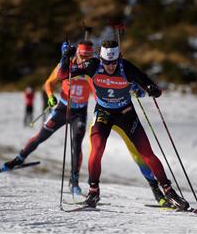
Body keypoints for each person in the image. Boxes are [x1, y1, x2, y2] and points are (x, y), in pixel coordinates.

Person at [57, 40, 190, 210]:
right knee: (96, 151)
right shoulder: (92, 65)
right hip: (104, 113)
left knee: (147, 153)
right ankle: (93, 192)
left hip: (126, 114)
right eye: (106, 62)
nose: (110, 67)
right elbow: (62, 75)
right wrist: (64, 58)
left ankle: (169, 192)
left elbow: (149, 83)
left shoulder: (125, 67)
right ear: (100, 58)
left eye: (113, 62)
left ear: (118, 58)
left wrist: (152, 89)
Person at [2, 40, 95, 195]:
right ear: (76, 52)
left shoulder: (93, 68)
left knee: (76, 145)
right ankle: (19, 158)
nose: (85, 59)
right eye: (82, 55)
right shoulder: (65, 65)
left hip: (80, 112)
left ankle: (74, 181)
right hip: (62, 108)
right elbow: (48, 83)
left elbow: (99, 91)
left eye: (88, 56)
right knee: (41, 135)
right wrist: (51, 96)